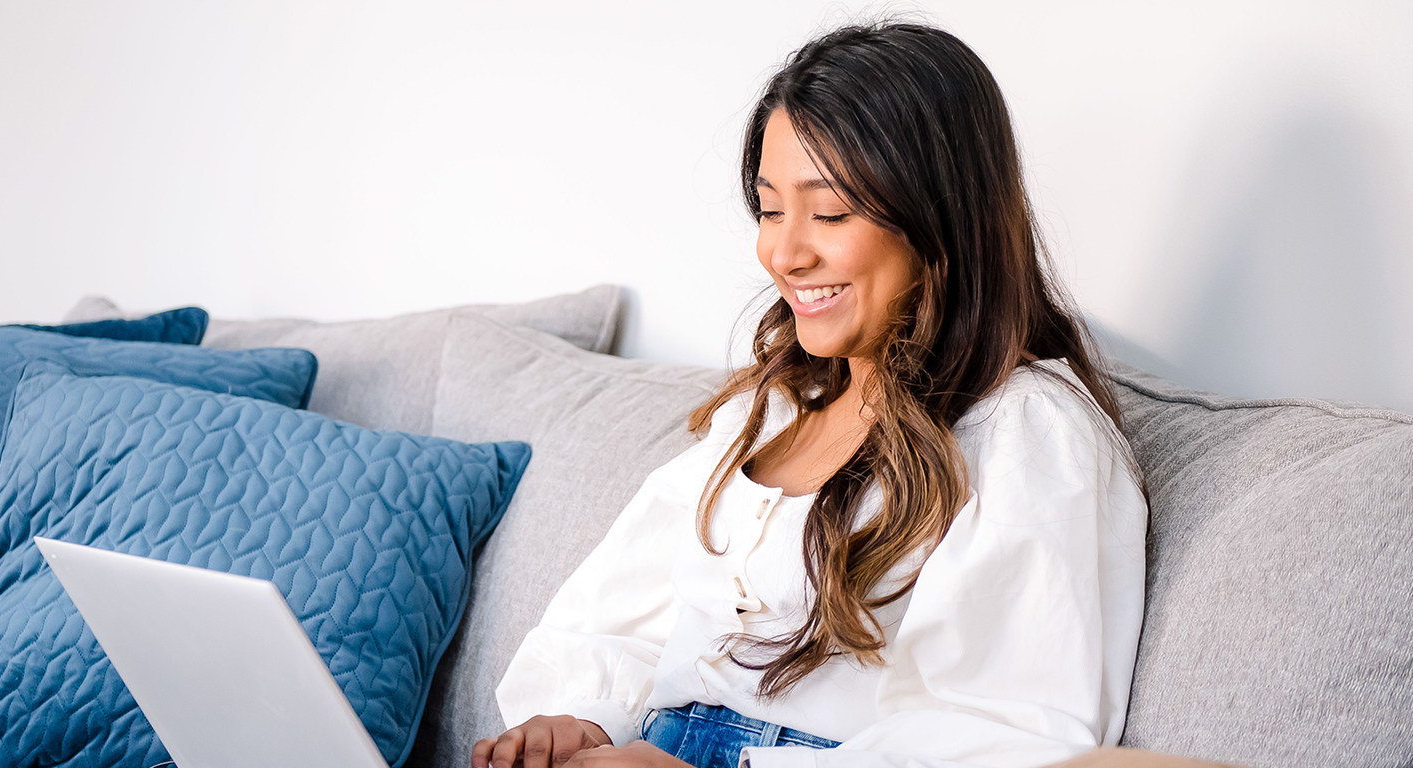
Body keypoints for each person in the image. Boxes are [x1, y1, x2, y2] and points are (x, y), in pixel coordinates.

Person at [474, 22, 1149, 768]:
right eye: (769, 210)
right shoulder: (766, 413)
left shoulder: (1028, 432)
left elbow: (1010, 735)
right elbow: (618, 621)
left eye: (828, 212)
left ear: (943, 222)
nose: (784, 254)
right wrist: (583, 722)